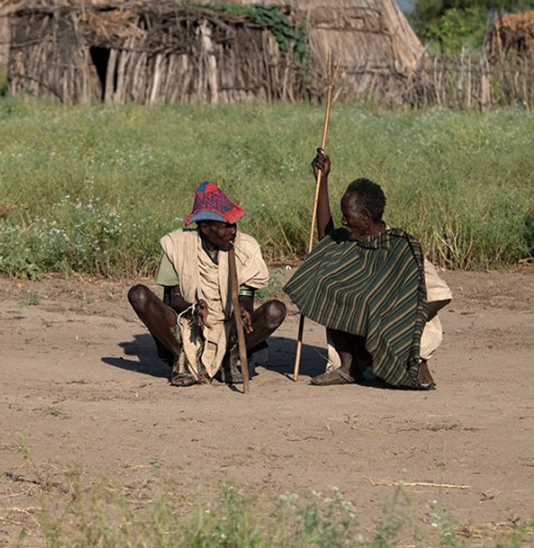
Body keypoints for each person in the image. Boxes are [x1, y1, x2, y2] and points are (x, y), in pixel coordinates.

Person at [284, 150, 452, 388]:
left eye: (346, 216)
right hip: (365, 337)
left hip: (400, 335)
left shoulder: (401, 248)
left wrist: (401, 323)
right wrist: (322, 181)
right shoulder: (352, 240)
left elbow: (442, 296)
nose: (343, 221)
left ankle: (411, 363)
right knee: (329, 281)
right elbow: (326, 239)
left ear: (365, 216)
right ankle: (348, 366)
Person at [127, 181, 286, 387]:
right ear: (205, 228)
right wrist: (194, 309)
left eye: (234, 224)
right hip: (189, 325)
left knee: (275, 310)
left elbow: (246, 295)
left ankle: (232, 358)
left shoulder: (245, 247)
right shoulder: (178, 245)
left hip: (229, 325)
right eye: (225, 226)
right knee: (138, 295)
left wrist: (243, 309)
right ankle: (182, 361)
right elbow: (173, 299)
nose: (233, 231)